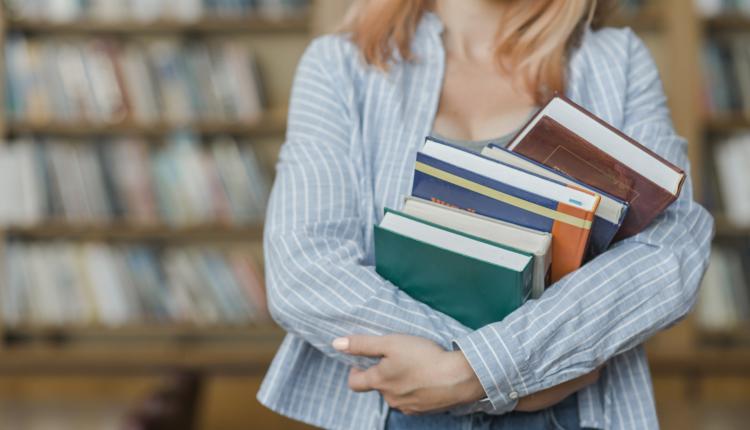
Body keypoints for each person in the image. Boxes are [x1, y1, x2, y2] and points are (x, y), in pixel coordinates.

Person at [257, 0, 714, 429]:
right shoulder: (340, 66)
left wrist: (476, 373)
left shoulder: (617, 61)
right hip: (401, 412)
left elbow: (669, 251)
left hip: (570, 415)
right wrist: (504, 372)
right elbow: (305, 268)